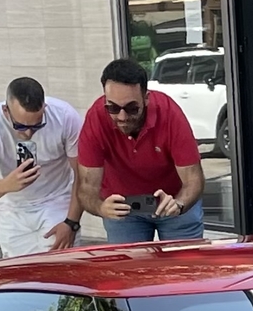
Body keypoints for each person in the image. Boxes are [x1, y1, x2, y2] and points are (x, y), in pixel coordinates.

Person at [79, 57, 206, 244]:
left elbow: (194, 180)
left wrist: (178, 204)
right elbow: (86, 189)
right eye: (113, 107)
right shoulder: (96, 117)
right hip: (124, 208)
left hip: (172, 200)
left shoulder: (169, 113)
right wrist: (100, 208)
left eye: (131, 108)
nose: (122, 116)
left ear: (146, 98)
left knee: (183, 269)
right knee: (130, 269)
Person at [0, 75, 82, 256]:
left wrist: (71, 222)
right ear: (5, 111)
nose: (28, 133)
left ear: (45, 108)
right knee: (17, 276)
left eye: (37, 125)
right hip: (13, 209)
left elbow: (83, 175)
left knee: (59, 273)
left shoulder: (65, 116)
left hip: (57, 201)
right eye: (20, 126)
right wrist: (6, 185)